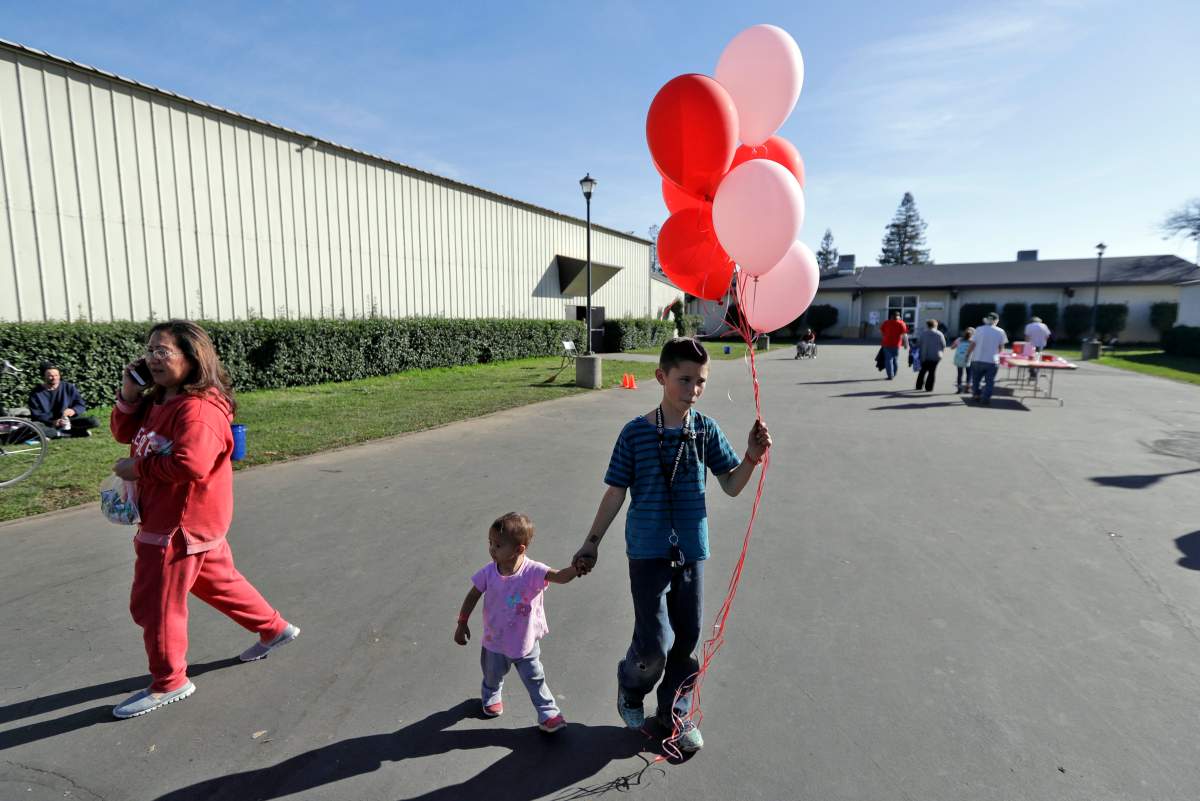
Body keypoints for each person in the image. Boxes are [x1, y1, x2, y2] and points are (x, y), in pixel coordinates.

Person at [570, 337, 772, 753]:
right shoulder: (635, 434)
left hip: (691, 552)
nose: (693, 390)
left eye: (701, 381)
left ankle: (673, 714)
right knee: (654, 643)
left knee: (686, 641)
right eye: (684, 380)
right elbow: (615, 493)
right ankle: (631, 684)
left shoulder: (705, 430)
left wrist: (751, 457)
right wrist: (591, 543)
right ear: (661, 377)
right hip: (646, 552)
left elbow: (731, 486)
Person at [109, 320, 299, 719]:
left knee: (155, 605)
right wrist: (129, 393)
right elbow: (122, 430)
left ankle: (170, 681)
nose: (152, 358)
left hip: (178, 525)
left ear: (192, 357)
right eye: (149, 350)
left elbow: (191, 463)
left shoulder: (197, 409)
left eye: (163, 351)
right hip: (182, 521)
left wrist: (137, 469)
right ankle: (274, 629)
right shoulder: (160, 399)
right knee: (217, 583)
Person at [453, 512, 577, 733]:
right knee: (492, 674)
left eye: (498, 545)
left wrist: (578, 568)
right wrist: (462, 622)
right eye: (490, 543)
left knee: (535, 679)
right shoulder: (489, 572)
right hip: (495, 641)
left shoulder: (534, 571)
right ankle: (491, 694)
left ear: (519, 549)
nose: (492, 549)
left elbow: (561, 576)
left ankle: (548, 713)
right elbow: (472, 595)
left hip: (525, 643)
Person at [28, 362, 100, 438]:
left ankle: (57, 433)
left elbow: (80, 404)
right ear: (44, 377)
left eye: (56, 375)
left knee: (94, 421)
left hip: (69, 421)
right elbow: (37, 414)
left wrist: (73, 410)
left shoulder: (68, 387)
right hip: (48, 423)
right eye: (50, 376)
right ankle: (68, 433)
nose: (54, 378)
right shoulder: (35, 393)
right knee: (32, 427)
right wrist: (53, 422)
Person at [966, 313, 1008, 405]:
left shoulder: (979, 329)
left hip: (977, 358)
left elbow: (973, 344)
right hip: (992, 360)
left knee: (976, 380)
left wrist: (967, 354)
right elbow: (1001, 347)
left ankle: (976, 395)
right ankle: (985, 398)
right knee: (990, 381)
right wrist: (1000, 356)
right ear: (996, 321)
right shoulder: (1000, 331)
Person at [915, 319, 947, 392]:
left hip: (924, 356)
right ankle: (929, 388)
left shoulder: (923, 334)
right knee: (932, 372)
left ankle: (919, 386)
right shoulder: (940, 334)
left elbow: (918, 344)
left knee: (922, 371)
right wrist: (941, 352)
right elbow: (944, 345)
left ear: (927, 325)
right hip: (936, 356)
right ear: (935, 325)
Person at [879, 311, 908, 380]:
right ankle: (894, 374)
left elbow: (881, 331)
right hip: (896, 344)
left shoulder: (886, 322)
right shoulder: (902, 323)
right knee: (895, 360)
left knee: (888, 360)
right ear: (899, 316)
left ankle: (890, 375)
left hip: (886, 344)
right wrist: (906, 344)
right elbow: (904, 335)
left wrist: (884, 336)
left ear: (891, 316)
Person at [951, 327, 975, 393]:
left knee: (959, 374)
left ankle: (959, 389)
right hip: (969, 359)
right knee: (969, 374)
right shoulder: (973, 341)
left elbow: (952, 347)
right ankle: (968, 388)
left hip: (959, 359)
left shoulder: (959, 339)